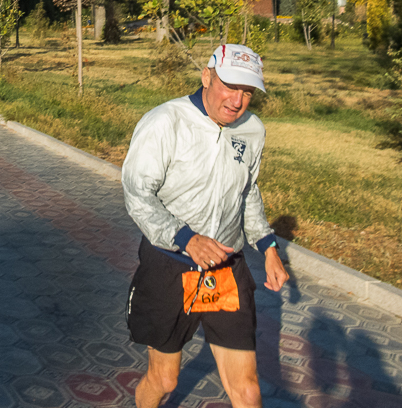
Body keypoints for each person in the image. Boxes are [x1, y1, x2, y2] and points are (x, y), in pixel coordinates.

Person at [122, 43, 288, 408]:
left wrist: (269, 248)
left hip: (226, 269)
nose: (237, 100)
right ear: (206, 76)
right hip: (171, 265)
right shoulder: (165, 122)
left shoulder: (253, 131)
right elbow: (137, 195)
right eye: (230, 86)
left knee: (247, 390)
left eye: (247, 92)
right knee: (165, 380)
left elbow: (247, 193)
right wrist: (187, 239)